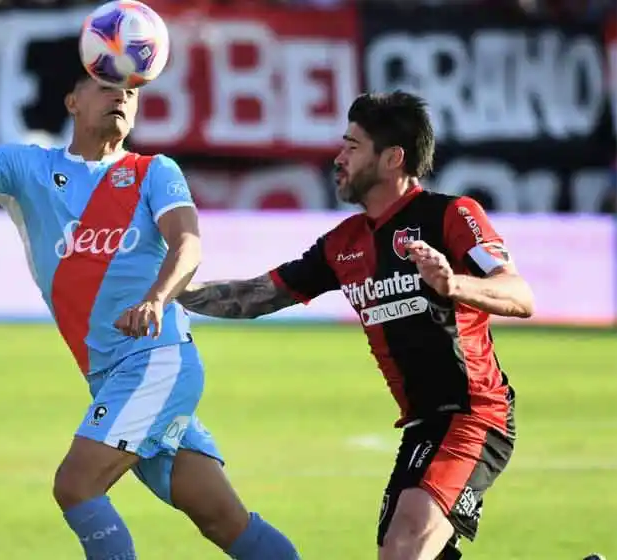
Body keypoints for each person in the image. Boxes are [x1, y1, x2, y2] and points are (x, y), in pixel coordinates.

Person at [0, 69, 300, 560]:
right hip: (109, 375)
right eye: (106, 87)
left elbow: (187, 243)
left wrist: (158, 298)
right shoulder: (28, 170)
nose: (120, 97)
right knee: (223, 520)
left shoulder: (154, 172)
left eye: (131, 93)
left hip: (157, 362)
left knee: (76, 486)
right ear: (72, 101)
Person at [177, 91, 535, 560]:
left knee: (403, 550)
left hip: (473, 415)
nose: (338, 158)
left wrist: (454, 286)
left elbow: (520, 295)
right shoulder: (342, 244)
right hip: (424, 425)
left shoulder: (451, 215)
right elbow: (254, 296)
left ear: (391, 158)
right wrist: (168, 291)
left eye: (352, 146)